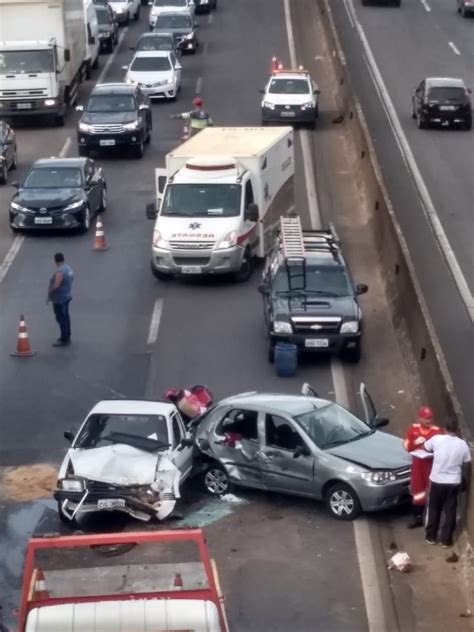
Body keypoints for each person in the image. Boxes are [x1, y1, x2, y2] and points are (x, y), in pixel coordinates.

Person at [424, 420, 471, 547]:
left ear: (445, 429)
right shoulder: (462, 445)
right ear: (457, 429)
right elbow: (467, 462)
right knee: (450, 510)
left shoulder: (437, 439)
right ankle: (446, 540)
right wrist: (464, 481)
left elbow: (425, 447)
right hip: (453, 483)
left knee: (434, 509)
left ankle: (431, 536)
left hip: (437, 480)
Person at [403, 406, 443, 528]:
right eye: (426, 418)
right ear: (420, 418)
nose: (428, 420)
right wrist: (415, 442)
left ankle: (432, 520)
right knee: (418, 493)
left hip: (431, 466)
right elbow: (406, 446)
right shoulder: (413, 429)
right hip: (418, 467)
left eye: (430, 418)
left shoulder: (437, 431)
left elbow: (442, 449)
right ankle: (418, 518)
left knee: (433, 493)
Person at [46, 252, 74, 347]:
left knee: (61, 318)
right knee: (66, 317)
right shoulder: (68, 268)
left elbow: (57, 284)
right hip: (67, 296)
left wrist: (50, 294)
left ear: (55, 261)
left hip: (59, 299)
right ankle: (67, 336)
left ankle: (64, 339)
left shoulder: (60, 271)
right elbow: (71, 279)